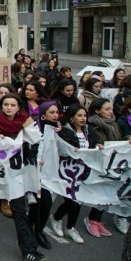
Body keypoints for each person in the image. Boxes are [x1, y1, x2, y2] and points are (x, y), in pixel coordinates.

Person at [0, 93, 46, 261]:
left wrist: (27, 119)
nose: (9, 107)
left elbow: (37, 138)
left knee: (19, 210)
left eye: (13, 105)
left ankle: (29, 250)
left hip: (16, 173)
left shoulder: (23, 124)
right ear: (1, 106)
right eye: (6, 104)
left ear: (18, 107)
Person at [48, 104, 102, 244]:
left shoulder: (88, 131)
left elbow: (96, 141)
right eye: (79, 115)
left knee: (77, 201)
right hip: (65, 170)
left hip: (82, 171)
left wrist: (99, 145)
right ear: (71, 118)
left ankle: (70, 227)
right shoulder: (64, 130)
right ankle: (57, 218)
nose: (83, 118)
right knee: (71, 201)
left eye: (84, 115)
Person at [84, 98, 128, 236]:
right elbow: (91, 142)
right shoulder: (91, 124)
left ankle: (97, 220)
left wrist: (126, 140)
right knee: (99, 193)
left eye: (111, 109)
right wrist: (98, 145)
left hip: (112, 164)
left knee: (107, 193)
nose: (111, 112)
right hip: (98, 164)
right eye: (107, 109)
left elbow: (118, 141)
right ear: (97, 111)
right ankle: (91, 219)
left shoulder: (113, 124)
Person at [31, 101, 60, 250]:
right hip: (36, 173)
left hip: (51, 174)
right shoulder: (35, 129)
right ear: (43, 115)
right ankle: (34, 230)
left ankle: (38, 230)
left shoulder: (60, 129)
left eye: (56, 112)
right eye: (51, 113)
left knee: (44, 203)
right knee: (43, 202)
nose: (55, 115)